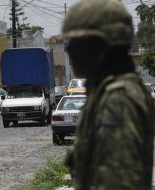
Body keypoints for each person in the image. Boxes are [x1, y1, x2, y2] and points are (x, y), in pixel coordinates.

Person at [62, 0, 155, 189]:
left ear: (102, 45)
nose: (69, 50)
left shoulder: (118, 100)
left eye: (77, 41)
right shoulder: (106, 92)